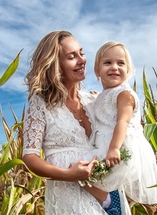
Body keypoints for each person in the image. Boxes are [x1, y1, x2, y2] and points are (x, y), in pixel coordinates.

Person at [22, 31, 131, 214]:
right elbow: (30, 156)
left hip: (109, 193)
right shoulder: (40, 103)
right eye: (72, 57)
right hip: (69, 194)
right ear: (55, 65)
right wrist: (67, 175)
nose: (82, 60)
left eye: (81, 53)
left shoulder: (94, 102)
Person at [84, 41, 157, 205]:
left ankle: (108, 201)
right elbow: (108, 107)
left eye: (121, 63)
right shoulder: (106, 95)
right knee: (87, 177)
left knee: (83, 175)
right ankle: (108, 200)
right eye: (107, 63)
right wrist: (98, 97)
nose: (114, 67)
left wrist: (114, 148)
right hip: (107, 143)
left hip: (120, 146)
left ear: (128, 70)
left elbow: (122, 122)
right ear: (97, 71)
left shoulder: (125, 95)